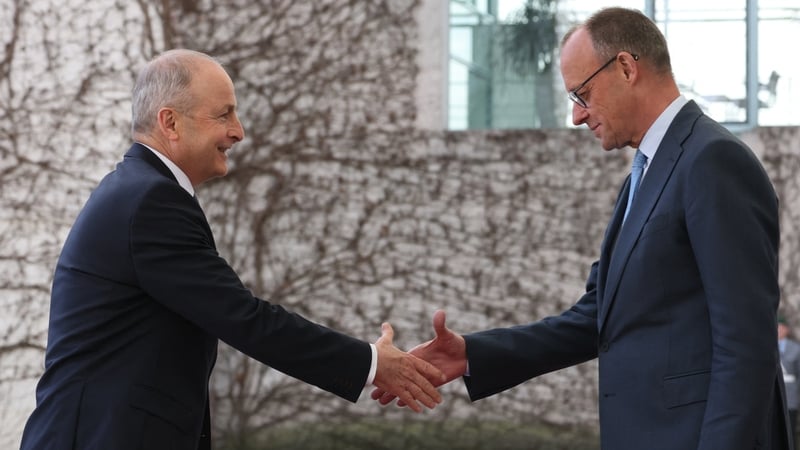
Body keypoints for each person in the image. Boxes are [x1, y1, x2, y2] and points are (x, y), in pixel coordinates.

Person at [373, 7, 792, 450]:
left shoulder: (713, 161)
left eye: (583, 93)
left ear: (626, 67)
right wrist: (472, 354)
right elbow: (595, 318)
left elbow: (746, 344)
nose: (577, 115)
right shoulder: (644, 176)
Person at [20, 49, 444, 450]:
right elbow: (243, 317)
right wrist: (371, 364)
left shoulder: (140, 191)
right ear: (170, 123)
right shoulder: (150, 201)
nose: (238, 132)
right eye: (223, 114)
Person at [780, 316, 800, 441]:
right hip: (771, 397)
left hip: (790, 397)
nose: (778, 330)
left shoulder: (796, 349)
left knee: (790, 430)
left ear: (786, 329)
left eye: (781, 328)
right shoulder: (766, 347)